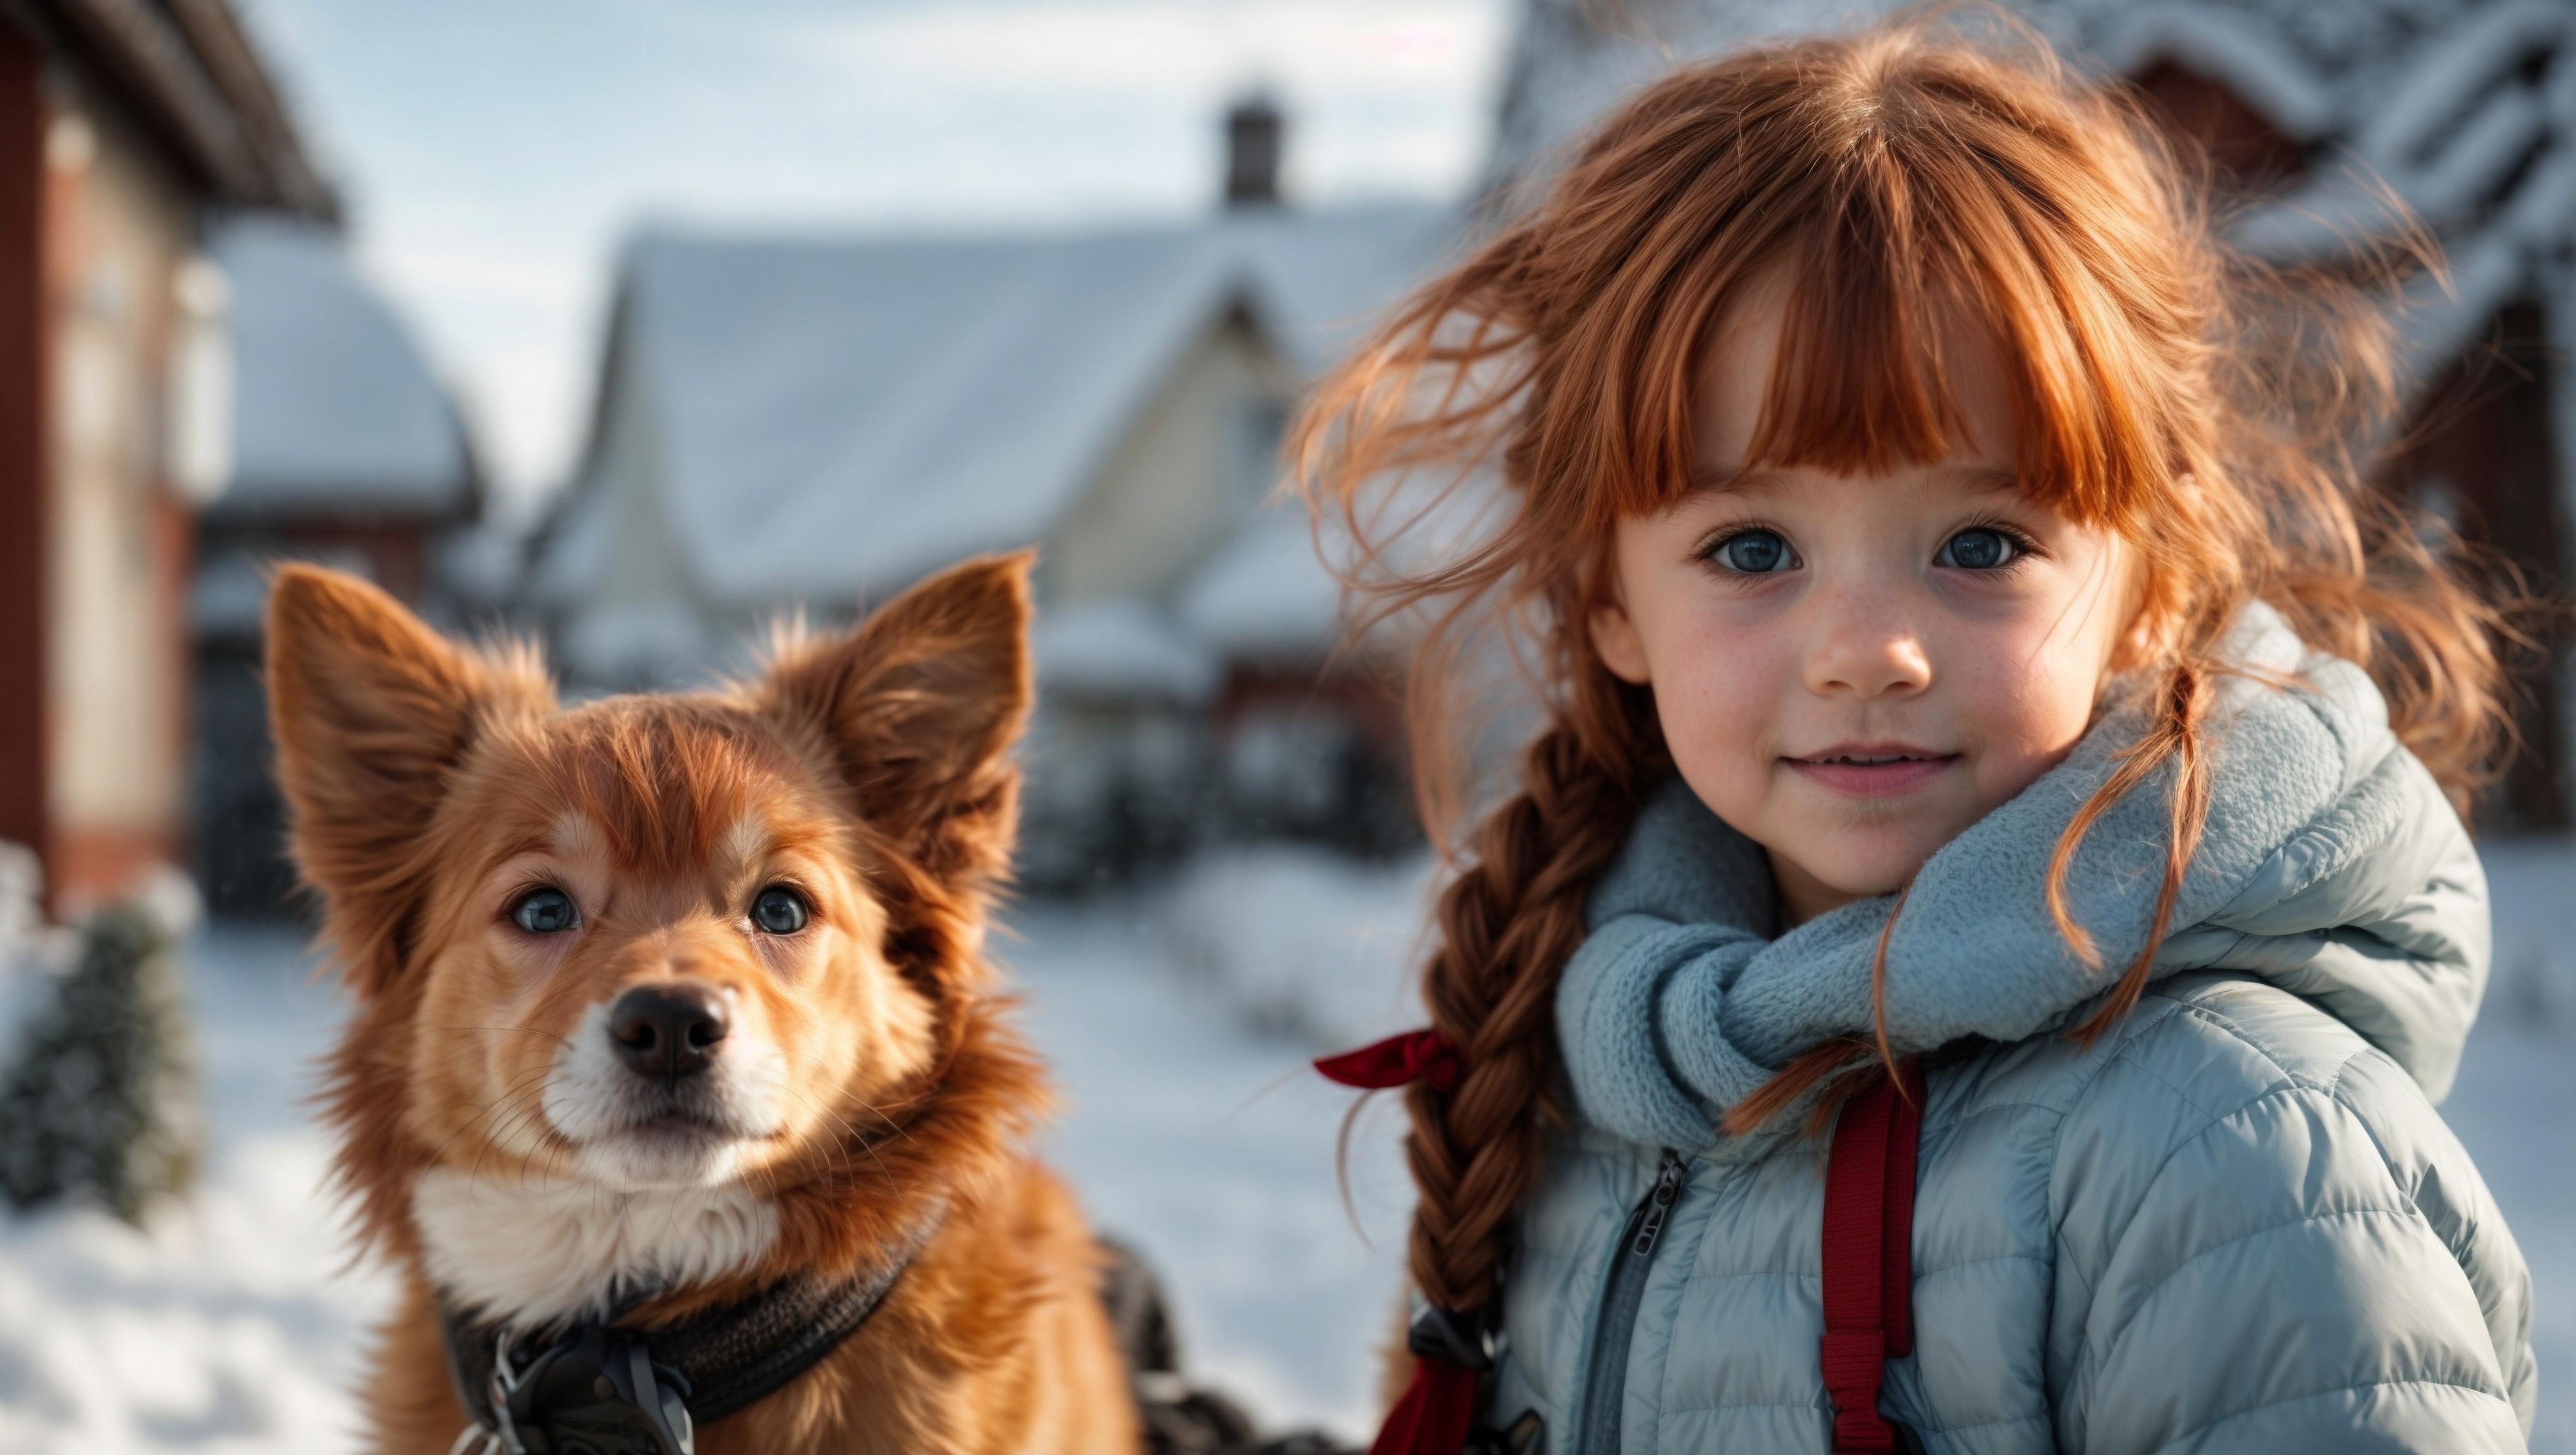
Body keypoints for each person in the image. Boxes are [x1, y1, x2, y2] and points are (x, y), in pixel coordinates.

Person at [1295, 13, 2537, 1454]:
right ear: (1607, 601)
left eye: (1982, 541)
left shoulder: (2230, 1157)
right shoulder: (1595, 1099)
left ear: (2151, 578)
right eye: (1755, 550)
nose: (1870, 652)